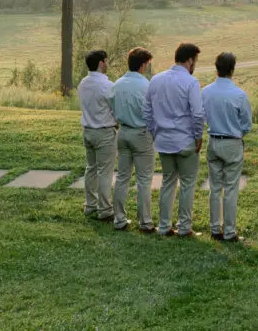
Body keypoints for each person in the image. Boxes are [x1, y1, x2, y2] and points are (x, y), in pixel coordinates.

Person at [143, 42, 204, 238]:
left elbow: (147, 110)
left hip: (164, 140)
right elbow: (197, 113)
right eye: (195, 61)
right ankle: (184, 227)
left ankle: (163, 225)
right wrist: (198, 136)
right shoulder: (190, 82)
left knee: (168, 182)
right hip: (185, 139)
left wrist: (154, 132)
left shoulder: (156, 80)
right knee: (187, 184)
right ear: (190, 60)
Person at [201, 51, 252, 242]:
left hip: (213, 140)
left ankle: (215, 229)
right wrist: (237, 132)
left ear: (216, 68)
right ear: (232, 69)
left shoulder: (205, 91)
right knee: (231, 188)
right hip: (232, 142)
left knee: (215, 187)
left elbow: (202, 116)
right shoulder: (239, 94)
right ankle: (229, 231)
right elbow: (247, 124)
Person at [110, 47, 155, 233]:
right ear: (143, 65)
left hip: (123, 132)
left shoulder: (117, 84)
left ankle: (119, 219)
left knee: (122, 177)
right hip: (140, 133)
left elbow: (112, 107)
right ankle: (144, 221)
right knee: (144, 179)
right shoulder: (146, 86)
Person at [77, 49, 117, 222]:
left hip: (87, 130)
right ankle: (105, 209)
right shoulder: (107, 85)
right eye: (106, 61)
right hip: (104, 131)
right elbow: (115, 108)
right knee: (105, 172)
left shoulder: (83, 84)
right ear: (101, 63)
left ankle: (90, 204)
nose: (107, 64)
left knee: (91, 168)